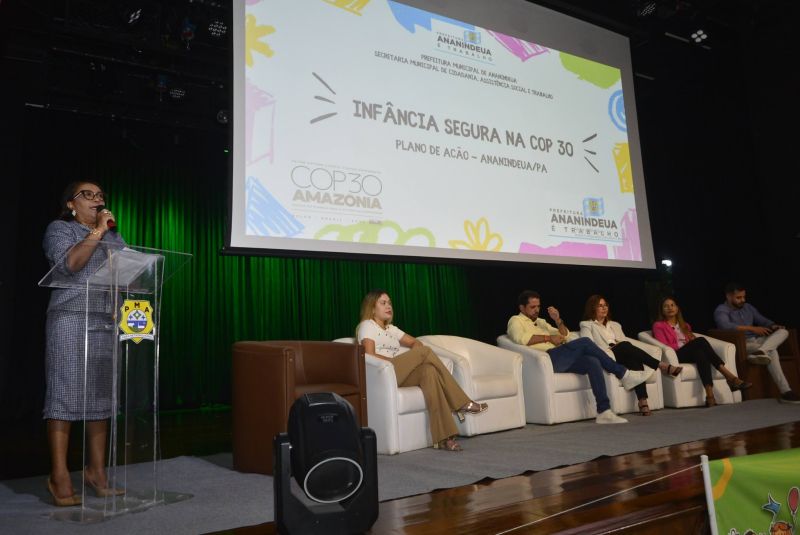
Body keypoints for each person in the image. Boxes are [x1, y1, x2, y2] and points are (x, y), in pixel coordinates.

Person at [43, 181, 126, 506]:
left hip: (104, 320)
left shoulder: (114, 236)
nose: (97, 200)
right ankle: (59, 473)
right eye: (88, 195)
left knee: (99, 396)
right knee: (65, 392)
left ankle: (96, 471)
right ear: (71, 205)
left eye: (100, 195)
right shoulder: (59, 229)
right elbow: (70, 264)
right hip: (69, 317)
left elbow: (124, 275)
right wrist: (97, 233)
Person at [356, 290, 488, 452]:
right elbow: (368, 355)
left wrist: (408, 358)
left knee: (429, 372)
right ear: (372, 307)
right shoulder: (367, 326)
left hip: (397, 372)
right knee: (425, 352)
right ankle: (461, 402)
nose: (388, 306)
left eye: (389, 302)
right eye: (383, 303)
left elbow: (416, 343)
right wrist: (396, 361)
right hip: (382, 374)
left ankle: (444, 438)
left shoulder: (391, 329)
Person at [507, 290, 654, 424]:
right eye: (532, 307)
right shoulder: (515, 320)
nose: (537, 310)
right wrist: (548, 338)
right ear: (522, 308)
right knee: (585, 342)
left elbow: (565, 334)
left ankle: (604, 411)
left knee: (592, 361)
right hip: (548, 358)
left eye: (538, 306)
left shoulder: (541, 322)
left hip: (562, 356)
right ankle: (623, 373)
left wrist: (557, 320)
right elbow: (521, 338)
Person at [580, 295, 682, 416]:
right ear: (592, 308)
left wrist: (620, 345)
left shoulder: (615, 325)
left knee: (633, 358)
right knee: (625, 347)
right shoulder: (586, 324)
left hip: (623, 352)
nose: (604, 308)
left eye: (605, 305)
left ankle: (642, 400)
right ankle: (661, 365)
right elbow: (588, 344)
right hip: (608, 355)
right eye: (600, 306)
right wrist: (611, 347)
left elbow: (623, 341)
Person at [652, 296, 751, 407]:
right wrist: (685, 344)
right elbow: (663, 345)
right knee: (701, 341)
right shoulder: (658, 326)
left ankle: (710, 396)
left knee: (700, 354)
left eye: (672, 305)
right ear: (662, 310)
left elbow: (691, 341)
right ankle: (730, 377)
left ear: (677, 308)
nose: (670, 308)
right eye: (666, 306)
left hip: (689, 352)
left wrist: (690, 343)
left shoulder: (685, 325)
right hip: (675, 354)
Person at [714, 283, 799, 403]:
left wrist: (772, 325)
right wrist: (752, 328)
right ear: (728, 296)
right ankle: (786, 391)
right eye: (738, 298)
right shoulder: (721, 310)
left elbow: (762, 320)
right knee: (772, 351)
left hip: (758, 341)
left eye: (743, 297)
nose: (742, 300)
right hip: (741, 344)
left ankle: (762, 351)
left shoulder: (748, 307)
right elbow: (725, 326)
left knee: (783, 332)